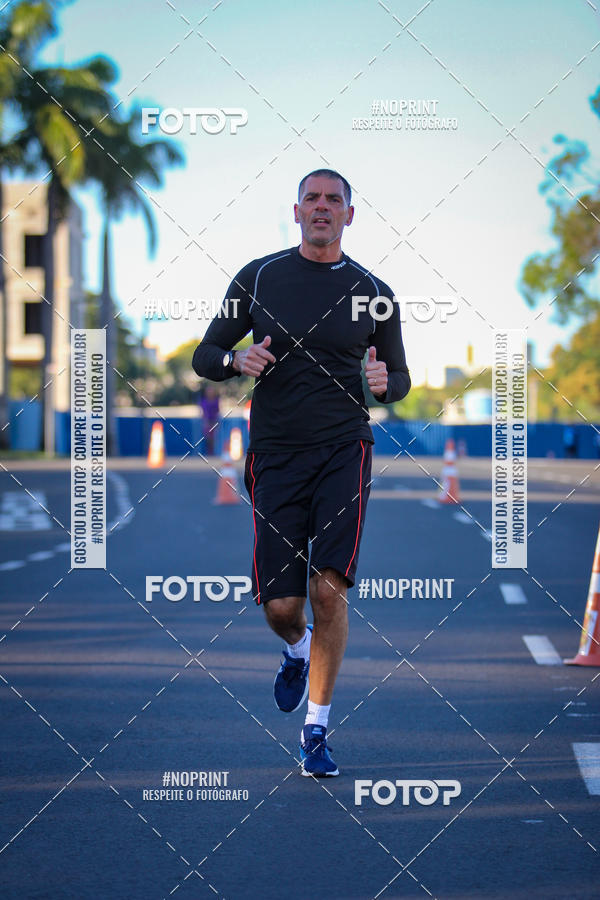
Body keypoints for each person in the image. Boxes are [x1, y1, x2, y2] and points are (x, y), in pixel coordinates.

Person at [192, 169, 410, 776]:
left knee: (327, 590)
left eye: (333, 200)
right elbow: (205, 354)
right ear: (296, 213)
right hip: (276, 455)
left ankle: (317, 728)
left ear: (349, 215)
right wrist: (236, 358)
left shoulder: (374, 290)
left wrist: (384, 384)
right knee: (283, 607)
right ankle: (296, 649)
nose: (322, 208)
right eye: (312, 199)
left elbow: (399, 377)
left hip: (345, 449)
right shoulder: (258, 277)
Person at [197, 384, 220, 455]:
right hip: (206, 421)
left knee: (214, 437)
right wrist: (205, 421)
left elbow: (217, 410)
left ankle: (213, 451)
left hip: (214, 420)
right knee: (207, 436)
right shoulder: (203, 401)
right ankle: (208, 452)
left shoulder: (216, 400)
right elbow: (202, 411)